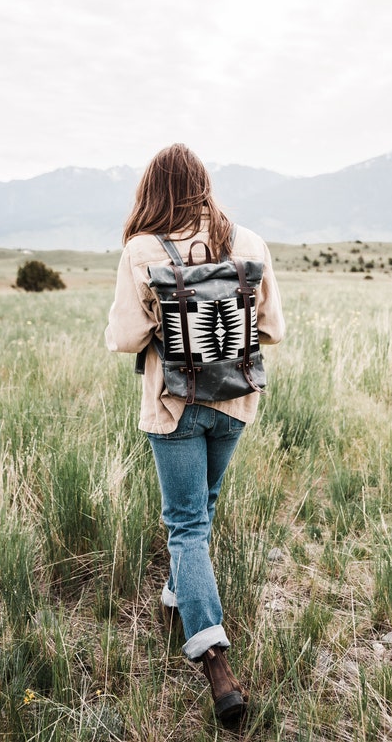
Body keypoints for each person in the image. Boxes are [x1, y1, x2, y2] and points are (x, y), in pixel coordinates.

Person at [105, 143, 284, 722]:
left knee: (184, 527)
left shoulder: (142, 248)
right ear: (204, 184)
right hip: (234, 402)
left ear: (153, 189)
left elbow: (126, 339)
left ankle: (215, 662)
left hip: (173, 405)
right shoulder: (249, 242)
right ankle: (173, 601)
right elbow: (273, 330)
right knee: (199, 512)